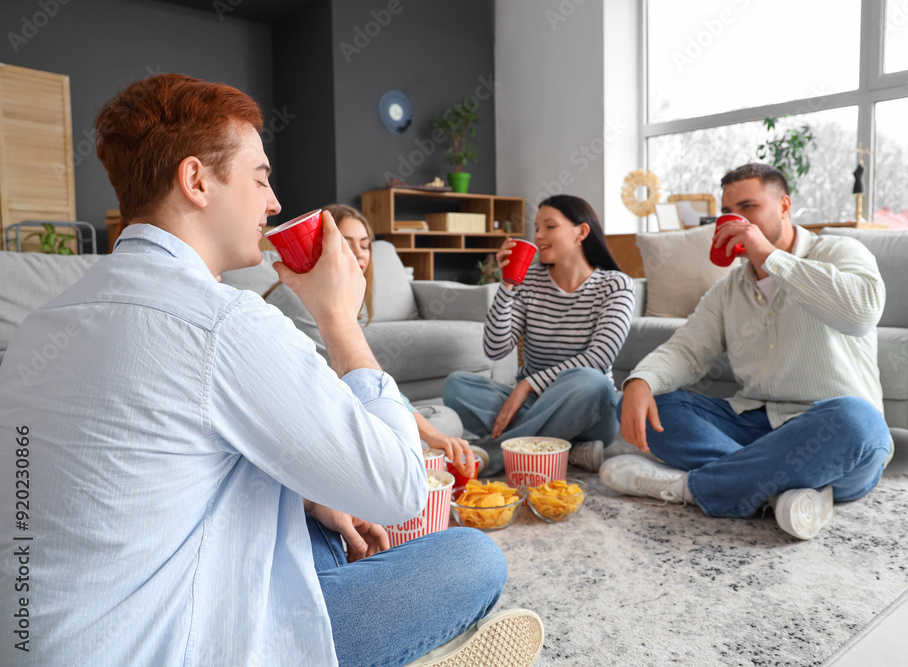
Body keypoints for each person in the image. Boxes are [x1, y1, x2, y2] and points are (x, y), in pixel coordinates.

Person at [0, 74, 542, 666]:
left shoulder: (44, 324)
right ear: (196, 180)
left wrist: (309, 498)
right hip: (166, 645)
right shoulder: (221, 323)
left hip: (45, 638)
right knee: (472, 558)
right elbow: (401, 489)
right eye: (260, 178)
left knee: (324, 530)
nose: (275, 202)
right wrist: (340, 320)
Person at [600, 163, 893, 540]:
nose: (735, 219)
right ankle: (787, 489)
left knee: (859, 422)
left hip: (831, 431)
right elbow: (687, 351)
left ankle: (689, 488)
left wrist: (770, 256)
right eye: (727, 212)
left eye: (748, 207)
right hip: (755, 427)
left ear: (784, 206)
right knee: (657, 405)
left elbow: (862, 313)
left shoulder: (840, 251)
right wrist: (640, 381)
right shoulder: (728, 290)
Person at [264, 204, 481, 477]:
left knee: (442, 423)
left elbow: (363, 381)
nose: (358, 253)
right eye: (346, 242)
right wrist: (432, 434)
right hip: (309, 425)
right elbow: (357, 381)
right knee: (442, 426)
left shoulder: (337, 297)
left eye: (365, 245)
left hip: (335, 406)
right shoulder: (299, 299)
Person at [443, 195, 636, 476]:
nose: (537, 236)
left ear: (581, 232)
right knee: (456, 386)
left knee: (590, 380)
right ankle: (567, 451)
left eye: (550, 226)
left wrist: (527, 385)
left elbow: (598, 358)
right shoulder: (530, 281)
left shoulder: (615, 285)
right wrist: (507, 285)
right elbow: (495, 349)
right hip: (536, 404)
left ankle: (492, 455)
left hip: (591, 409)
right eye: (536, 227)